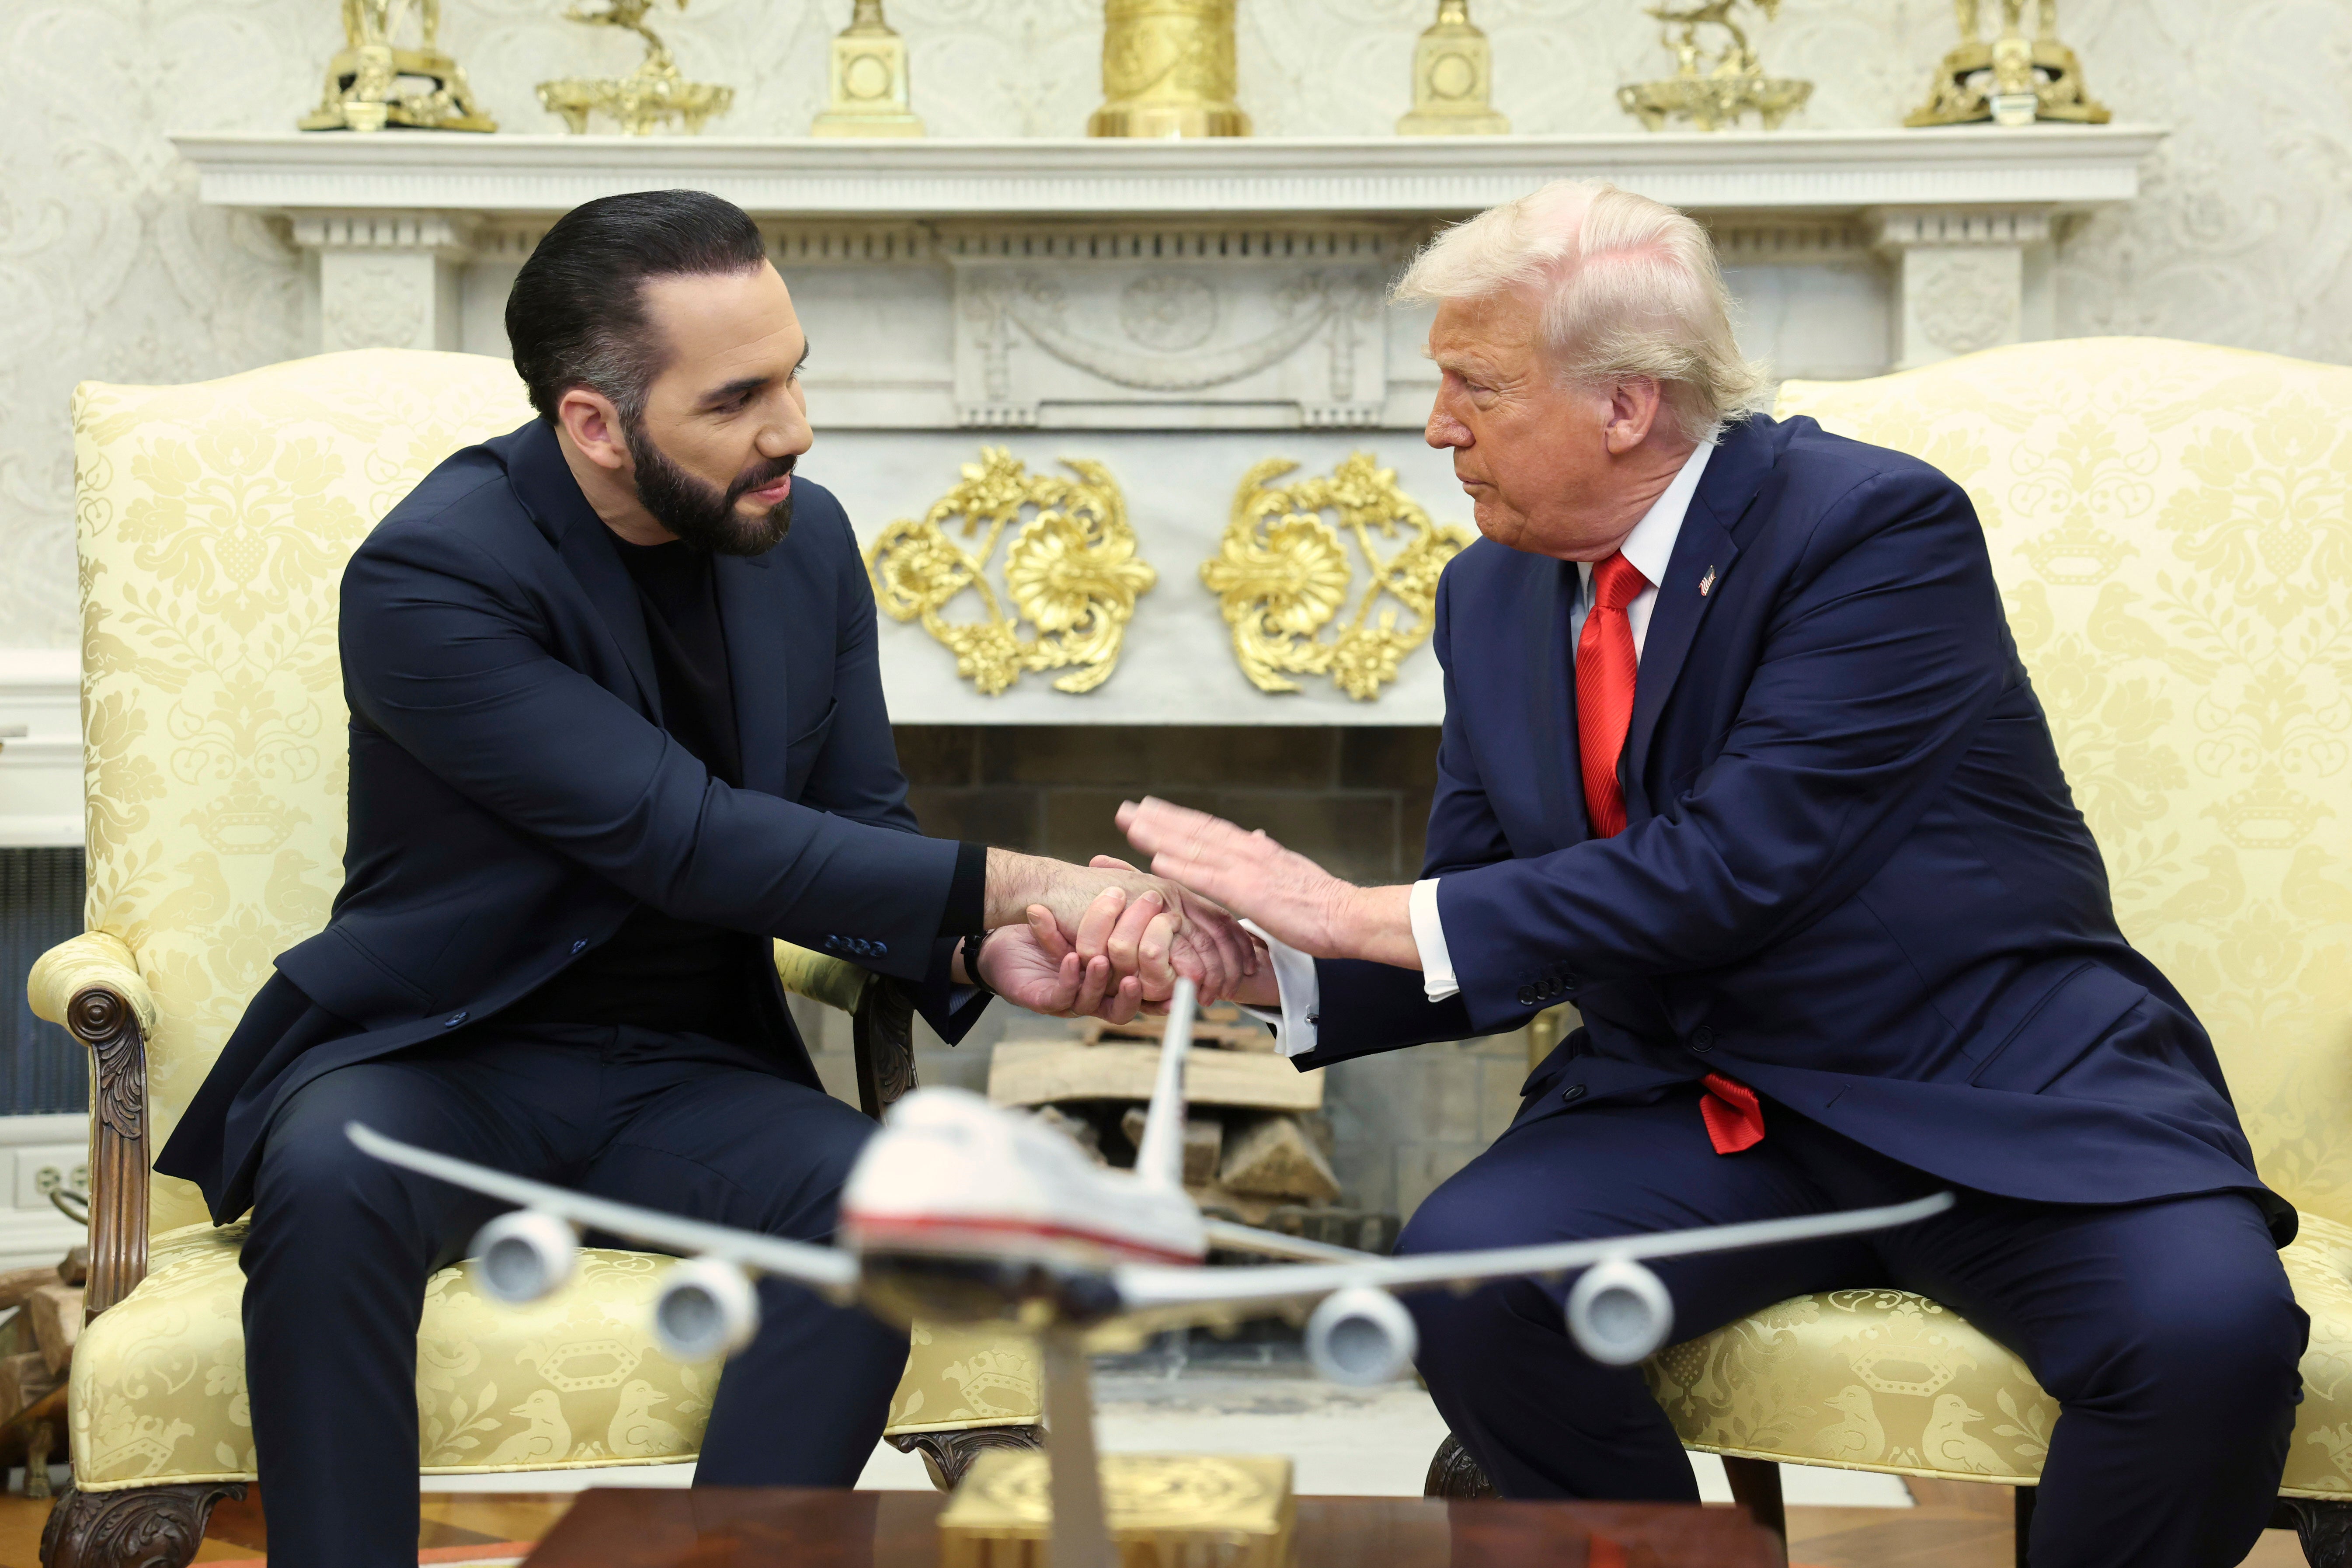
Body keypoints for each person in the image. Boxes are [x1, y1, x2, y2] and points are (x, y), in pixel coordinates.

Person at [1117, 179, 2306, 1568]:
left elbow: (1732, 867)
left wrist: (1361, 909)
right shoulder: (1489, 592)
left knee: (2205, 1335)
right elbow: (1494, 909)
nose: (1438, 424)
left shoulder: (1870, 530)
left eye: (1473, 385)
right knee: (1473, 1274)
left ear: (1624, 403)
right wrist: (1283, 963)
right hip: (1704, 1106)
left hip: (1987, 1087)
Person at [155, 189, 1252, 1568]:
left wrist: (981, 951)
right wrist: (1031, 881)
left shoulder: (801, 539)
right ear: (594, 423)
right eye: (738, 398)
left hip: (686, 1067)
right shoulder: (432, 570)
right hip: (441, 1048)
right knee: (331, 1185)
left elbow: (856, 823)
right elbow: (685, 837)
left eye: (793, 374)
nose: (790, 426)